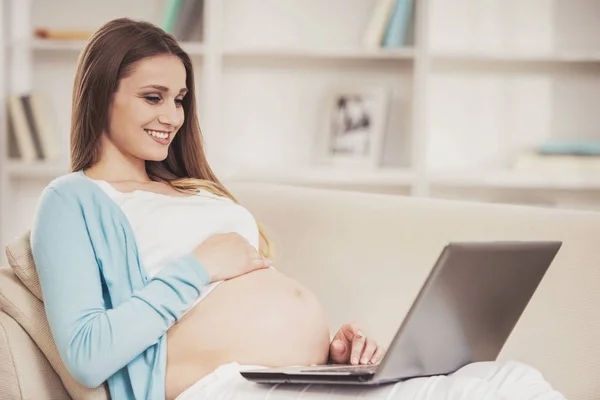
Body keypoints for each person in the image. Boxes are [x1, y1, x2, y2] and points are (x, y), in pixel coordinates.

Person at [29, 18, 566, 400]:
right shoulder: (73, 200)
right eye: (154, 96)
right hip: (220, 389)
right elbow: (85, 352)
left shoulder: (195, 189)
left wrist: (329, 352)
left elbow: (250, 303)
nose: (173, 114)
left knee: (507, 381)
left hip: (300, 377)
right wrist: (200, 267)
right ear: (101, 95)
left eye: (180, 98)